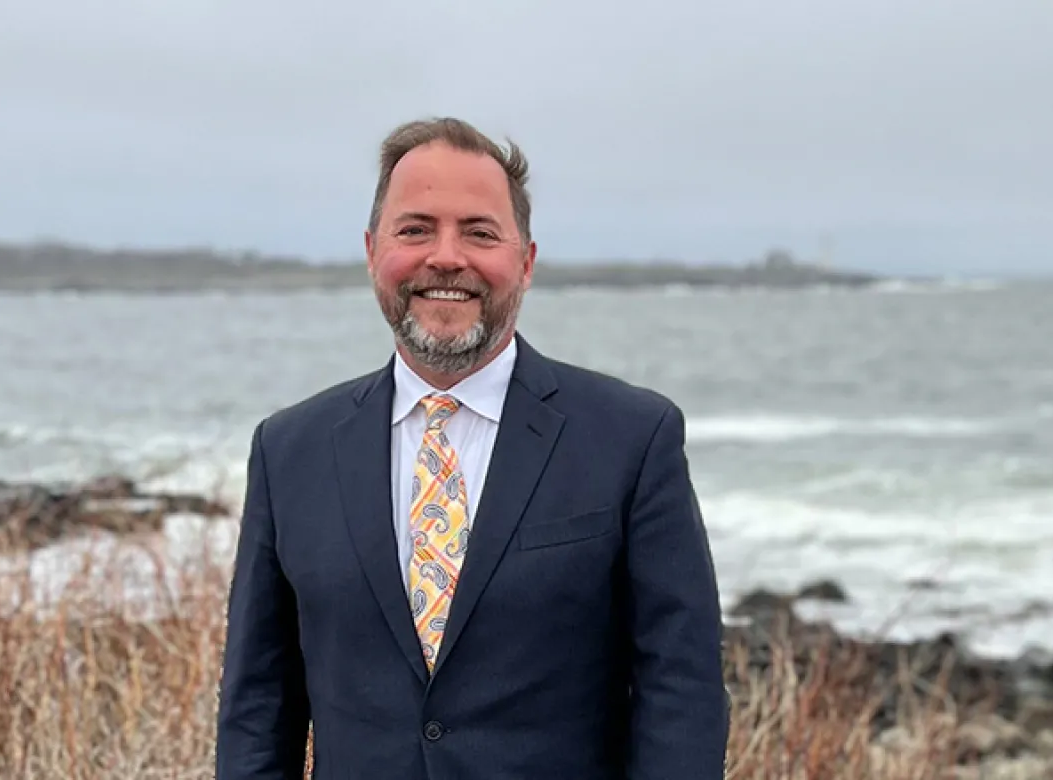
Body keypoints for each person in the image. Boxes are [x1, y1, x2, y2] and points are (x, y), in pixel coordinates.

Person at [215, 117, 729, 779]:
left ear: (526, 261)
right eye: (416, 228)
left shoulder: (632, 439)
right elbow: (259, 704)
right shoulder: (289, 451)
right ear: (373, 251)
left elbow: (680, 692)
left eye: (479, 232)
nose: (446, 257)